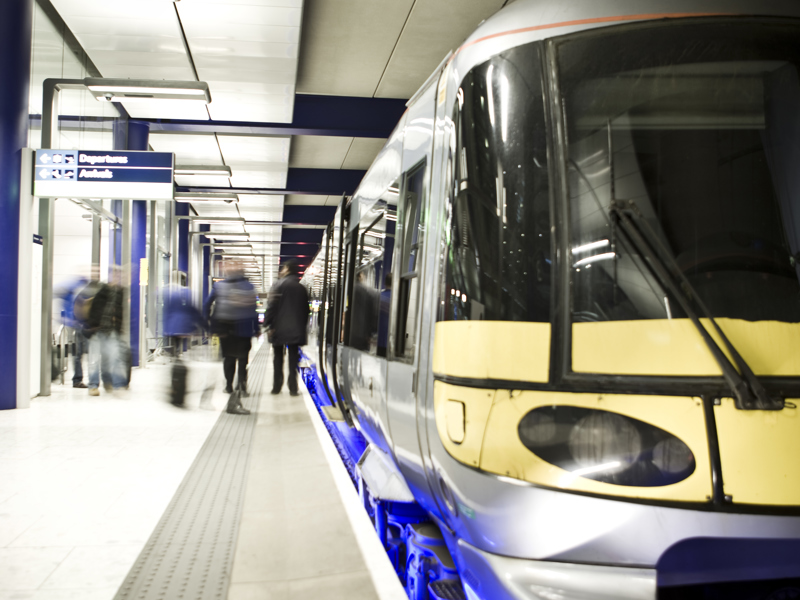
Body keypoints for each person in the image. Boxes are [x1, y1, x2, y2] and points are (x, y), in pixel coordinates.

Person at [204, 260, 258, 415]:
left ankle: (229, 385)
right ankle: (241, 386)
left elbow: (206, 305)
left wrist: (209, 325)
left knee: (228, 358)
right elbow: (253, 310)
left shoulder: (219, 286)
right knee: (242, 359)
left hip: (225, 329)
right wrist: (256, 328)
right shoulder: (249, 287)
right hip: (244, 329)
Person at [265, 259, 309, 396]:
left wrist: (267, 324)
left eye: (283, 268)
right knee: (293, 359)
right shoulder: (301, 288)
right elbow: (306, 311)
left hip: (278, 329)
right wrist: (302, 327)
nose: (281, 270)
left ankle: (276, 387)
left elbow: (271, 306)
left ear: (288, 269)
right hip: (295, 330)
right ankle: (293, 388)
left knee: (278, 358)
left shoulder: (278, 285)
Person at [84, 272, 126, 396]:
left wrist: (119, 328)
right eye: (116, 276)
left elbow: (119, 312)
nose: (118, 279)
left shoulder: (119, 293)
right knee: (94, 359)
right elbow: (94, 309)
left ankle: (109, 383)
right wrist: (91, 326)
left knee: (111, 358)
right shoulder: (101, 289)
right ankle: (93, 385)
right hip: (96, 330)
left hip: (111, 330)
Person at [163, 285, 205, 408]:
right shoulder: (188, 298)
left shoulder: (172, 298)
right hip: (183, 329)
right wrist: (203, 328)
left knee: (175, 353)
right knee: (180, 353)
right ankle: (178, 362)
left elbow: (167, 313)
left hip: (172, 330)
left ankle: (174, 380)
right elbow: (195, 313)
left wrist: (166, 329)